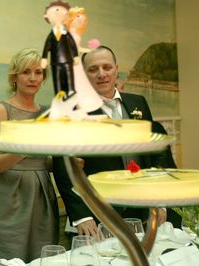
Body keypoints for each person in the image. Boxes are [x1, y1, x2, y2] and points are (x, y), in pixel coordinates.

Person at [53, 45, 177, 238]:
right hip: (97, 214)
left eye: (107, 67)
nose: (101, 74)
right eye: (93, 69)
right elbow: (63, 166)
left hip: (140, 212)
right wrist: (82, 216)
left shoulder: (138, 103)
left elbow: (153, 154)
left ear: (116, 69)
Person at [0, 48, 59, 262]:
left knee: (43, 260)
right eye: (26, 72)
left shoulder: (48, 113)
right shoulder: (1, 110)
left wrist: (69, 164)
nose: (33, 78)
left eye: (38, 72)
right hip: (10, 196)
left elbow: (45, 160)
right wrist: (24, 148)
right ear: (15, 76)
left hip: (42, 194)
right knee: (8, 260)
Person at [40, 0, 79, 99]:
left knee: (69, 76)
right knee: (57, 79)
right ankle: (59, 94)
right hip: (55, 62)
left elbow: (72, 45)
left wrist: (75, 55)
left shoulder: (66, 33)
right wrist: (44, 57)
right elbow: (47, 46)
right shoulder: (51, 35)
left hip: (67, 60)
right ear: (46, 17)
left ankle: (71, 91)